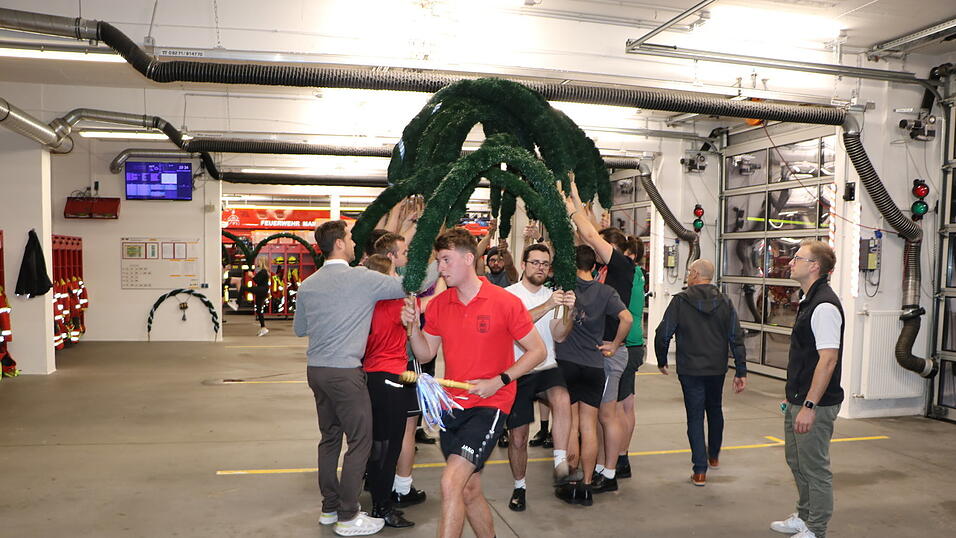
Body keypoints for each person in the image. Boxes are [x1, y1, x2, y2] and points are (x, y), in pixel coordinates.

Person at [402, 228, 546, 538]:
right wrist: (413, 328)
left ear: (469, 259)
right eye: (439, 261)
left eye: (445, 260)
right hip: (452, 407)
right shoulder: (440, 304)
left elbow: (538, 351)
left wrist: (500, 380)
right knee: (468, 489)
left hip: (489, 406)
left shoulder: (504, 302)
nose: (440, 268)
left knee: (450, 482)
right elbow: (426, 351)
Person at [293, 220, 407, 537]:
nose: (355, 243)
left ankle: (329, 509)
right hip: (345, 373)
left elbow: (300, 329)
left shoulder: (309, 283)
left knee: (329, 439)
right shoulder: (360, 278)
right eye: (350, 238)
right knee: (360, 441)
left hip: (316, 370)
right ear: (340, 244)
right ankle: (348, 515)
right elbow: (403, 285)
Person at [562, 179, 635, 489]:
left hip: (609, 352)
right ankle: (606, 469)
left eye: (602, 244)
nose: (595, 247)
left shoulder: (620, 265)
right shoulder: (607, 271)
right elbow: (587, 235)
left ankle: (609, 474)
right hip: (599, 351)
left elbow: (589, 234)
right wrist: (577, 195)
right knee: (606, 415)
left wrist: (568, 206)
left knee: (607, 415)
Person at [771, 240, 844, 538]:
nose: (790, 262)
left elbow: (827, 361)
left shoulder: (824, 304)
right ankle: (803, 516)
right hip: (799, 399)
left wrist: (810, 406)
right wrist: (794, 397)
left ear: (815, 266)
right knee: (797, 461)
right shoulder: (808, 300)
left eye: (797, 258)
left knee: (814, 467)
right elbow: (805, 356)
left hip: (816, 404)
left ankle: (817, 527)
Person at [653, 259, 748, 487]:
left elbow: (663, 332)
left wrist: (662, 359)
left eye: (688, 272)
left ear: (695, 274)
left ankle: (699, 470)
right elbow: (736, 336)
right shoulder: (725, 301)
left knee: (695, 417)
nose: (687, 275)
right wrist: (741, 370)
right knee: (715, 410)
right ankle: (713, 455)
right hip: (716, 368)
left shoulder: (681, 301)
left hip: (690, 369)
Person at [554, 245, 632, 506]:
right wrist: (616, 344)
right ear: (595, 266)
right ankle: (587, 485)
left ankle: (571, 481)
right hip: (594, 365)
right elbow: (628, 319)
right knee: (589, 426)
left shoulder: (565, 289)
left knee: (571, 424)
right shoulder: (606, 291)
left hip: (567, 362)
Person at [504, 243, 576, 512]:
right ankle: (519, 486)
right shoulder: (509, 296)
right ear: (523, 264)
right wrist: (547, 305)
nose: (540, 268)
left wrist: (568, 311)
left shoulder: (553, 295)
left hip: (546, 365)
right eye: (535, 263)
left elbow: (559, 335)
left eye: (545, 264)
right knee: (518, 439)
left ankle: (560, 465)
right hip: (518, 369)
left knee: (562, 397)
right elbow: (512, 329)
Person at [361, 254, 416, 528]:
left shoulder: (362, 305)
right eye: (394, 271)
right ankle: (382, 507)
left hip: (369, 378)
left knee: (375, 443)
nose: (398, 276)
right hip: (393, 379)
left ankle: (377, 495)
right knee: (389, 446)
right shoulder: (395, 303)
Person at [617, 237, 646, 478]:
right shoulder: (638, 275)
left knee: (618, 407)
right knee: (627, 404)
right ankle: (622, 456)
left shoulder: (629, 275)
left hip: (627, 343)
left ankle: (619, 457)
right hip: (635, 343)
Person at [251, 258, 270, 337]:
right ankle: (263, 327)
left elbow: (257, 281)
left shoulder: (263, 272)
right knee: (259, 310)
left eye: (258, 261)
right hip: (262, 292)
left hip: (261, 292)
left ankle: (263, 328)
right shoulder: (263, 271)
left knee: (259, 310)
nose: (257, 262)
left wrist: (252, 276)